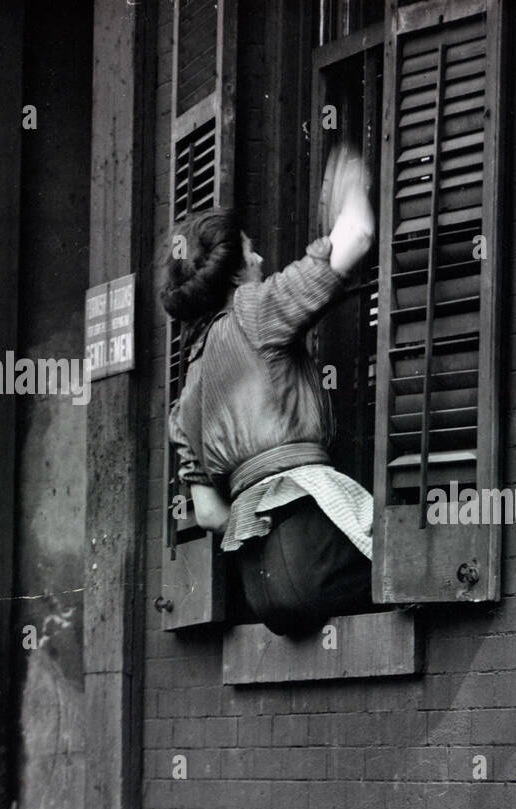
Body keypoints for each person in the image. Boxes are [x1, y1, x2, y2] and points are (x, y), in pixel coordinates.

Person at [162, 146, 376, 637]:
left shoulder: (185, 397)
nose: (260, 258)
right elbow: (357, 236)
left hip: (263, 591)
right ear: (234, 273)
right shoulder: (254, 312)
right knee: (431, 555)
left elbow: (212, 514)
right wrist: (351, 188)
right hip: (315, 555)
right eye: (250, 251)